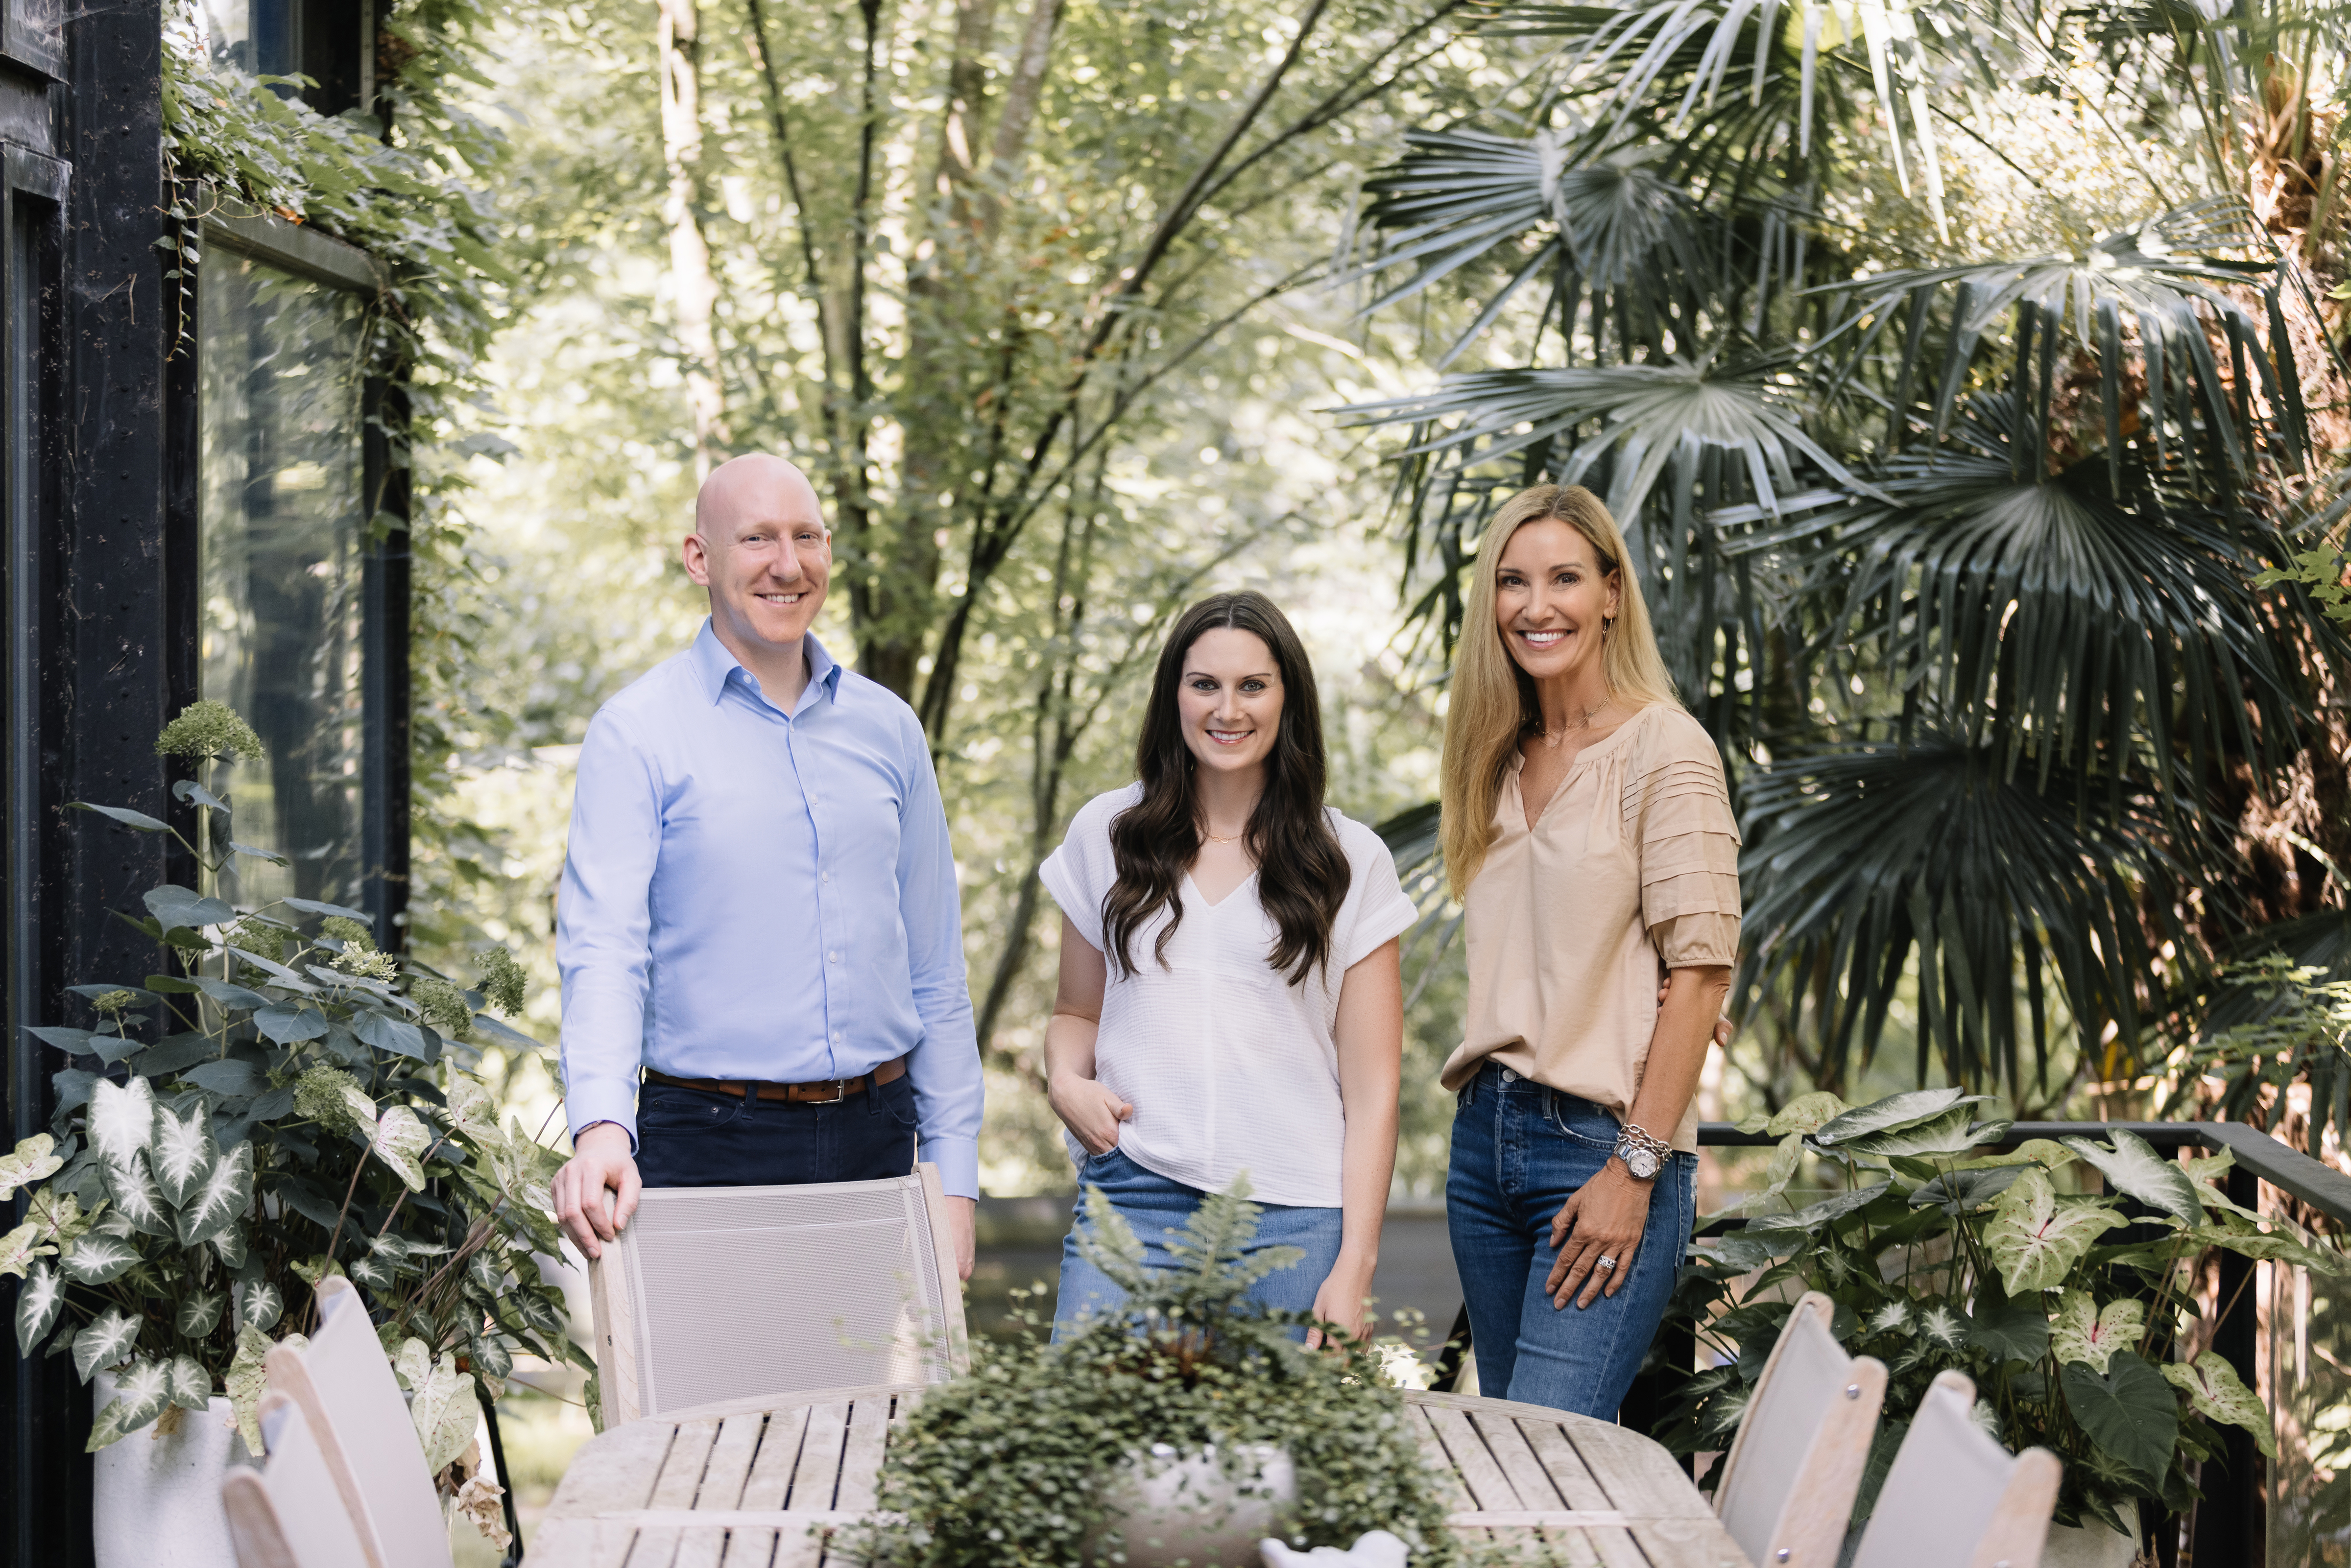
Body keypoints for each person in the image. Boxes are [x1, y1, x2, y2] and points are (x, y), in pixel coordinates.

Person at [548, 453, 982, 1279]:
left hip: (879, 1139)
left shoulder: (889, 731)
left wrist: (954, 1177)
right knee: (705, 1411)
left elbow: (935, 967)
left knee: (862, 1408)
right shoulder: (637, 732)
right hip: (708, 1140)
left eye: (806, 536)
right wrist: (602, 1122)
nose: (788, 563)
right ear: (700, 559)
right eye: (757, 538)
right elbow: (604, 948)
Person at [1041, 591, 1416, 1344]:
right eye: (1204, 683)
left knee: (1276, 1464)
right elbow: (1076, 1013)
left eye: (1254, 685)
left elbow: (1375, 1089)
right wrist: (1064, 1082)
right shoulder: (1106, 834)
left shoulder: (1349, 860)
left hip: (1295, 1219)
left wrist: (1356, 1266)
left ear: (1288, 698)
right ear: (1173, 694)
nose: (1228, 708)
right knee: (1092, 1455)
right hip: (1134, 1199)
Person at [1439, 483, 1740, 1416]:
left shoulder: (1667, 750)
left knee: (1546, 1450)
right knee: (1509, 1446)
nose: (1537, 606)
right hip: (1484, 1145)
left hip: (1601, 1146)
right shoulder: (1492, 754)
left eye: (1565, 578)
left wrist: (1635, 1167)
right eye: (1513, 581)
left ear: (1612, 593)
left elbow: (1701, 975)